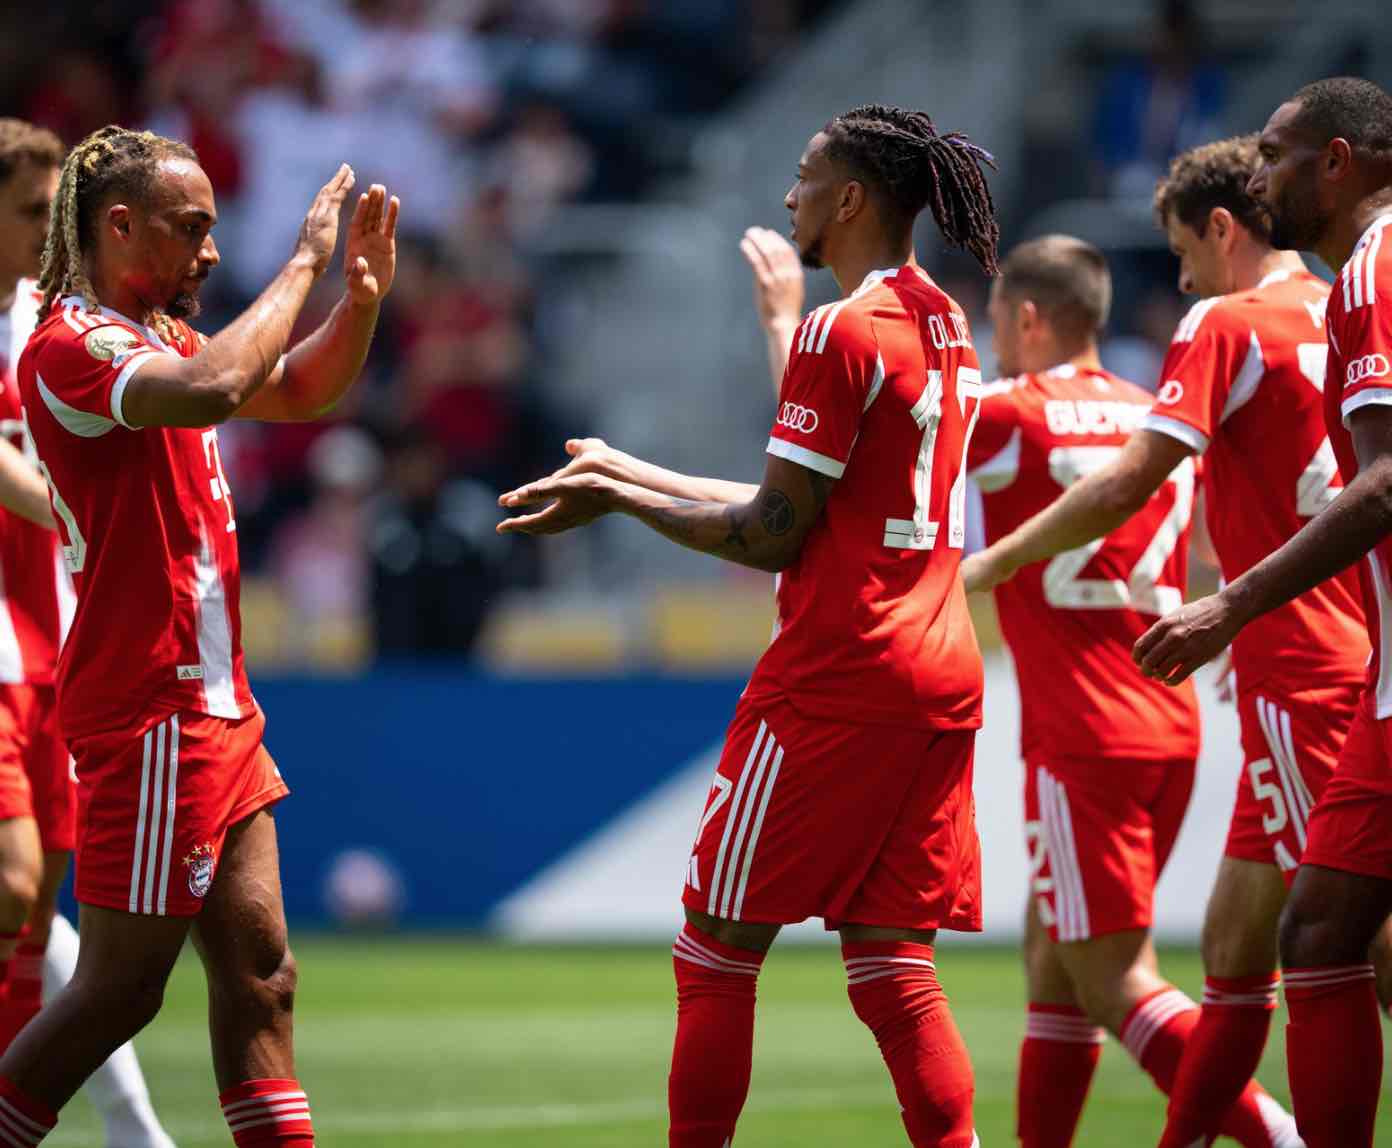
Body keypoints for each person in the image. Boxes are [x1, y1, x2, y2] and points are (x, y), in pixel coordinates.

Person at [500, 103, 999, 1148]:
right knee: (894, 967)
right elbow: (821, 505)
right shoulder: (947, 324)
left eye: (805, 176)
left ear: (849, 198)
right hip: (941, 668)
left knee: (717, 947)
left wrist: (622, 501)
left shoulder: (842, 328)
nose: (788, 195)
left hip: (839, 670)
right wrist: (629, 470)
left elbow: (774, 534)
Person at [0, 124, 398, 1147]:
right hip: (152, 710)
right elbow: (218, 388)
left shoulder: (162, 337)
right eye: (192, 228)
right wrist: (302, 261)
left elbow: (299, 388)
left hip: (218, 706)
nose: (211, 252)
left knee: (263, 972)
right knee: (120, 991)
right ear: (119, 226)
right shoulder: (73, 346)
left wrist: (356, 300)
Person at [972, 233, 1302, 1148]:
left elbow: (865, 443)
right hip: (1167, 719)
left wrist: (786, 329)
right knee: (1055, 959)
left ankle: (1280, 1136)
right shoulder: (1157, 419)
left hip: (1082, 733)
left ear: (1027, 318)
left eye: (995, 319)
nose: (992, 337)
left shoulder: (1006, 413)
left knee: (1115, 978)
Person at [1132, 77, 1392, 1148]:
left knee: (1337, 937)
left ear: (1338, 161)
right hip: (1358, 663)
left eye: (1278, 156)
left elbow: (1383, 482)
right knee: (1275, 938)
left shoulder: (1358, 277)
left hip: (1309, 667)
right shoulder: (1337, 297)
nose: (1263, 172)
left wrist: (1228, 605)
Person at [0, 119, 176, 1148]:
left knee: (40, 908)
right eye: (29, 211)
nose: (45, 230)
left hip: (60, 640)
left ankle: (122, 1127)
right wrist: (71, 508)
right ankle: (132, 1124)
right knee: (14, 883)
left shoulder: (57, 321)